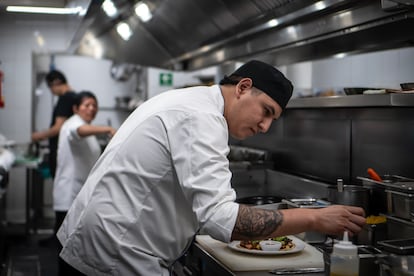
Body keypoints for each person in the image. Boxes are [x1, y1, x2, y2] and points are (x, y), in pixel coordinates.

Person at [57, 60, 366, 275]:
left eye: (274, 119)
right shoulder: (202, 118)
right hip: (114, 257)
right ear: (244, 87)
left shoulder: (193, 103)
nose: (266, 127)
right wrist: (314, 217)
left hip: (100, 246)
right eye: (266, 112)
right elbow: (222, 221)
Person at [54, 91, 116, 276]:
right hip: (70, 196)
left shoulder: (85, 126)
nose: (91, 109)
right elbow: (78, 132)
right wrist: (108, 129)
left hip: (80, 196)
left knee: (75, 250)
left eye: (94, 105)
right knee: (68, 251)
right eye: (87, 105)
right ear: (75, 108)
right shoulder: (74, 124)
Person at [31, 70, 77, 246]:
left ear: (57, 82)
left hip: (61, 154)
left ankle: (58, 237)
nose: (51, 91)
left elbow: (58, 128)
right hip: (65, 154)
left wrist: (39, 135)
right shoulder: (72, 97)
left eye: (51, 87)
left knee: (61, 194)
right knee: (63, 194)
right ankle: (60, 235)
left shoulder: (66, 98)